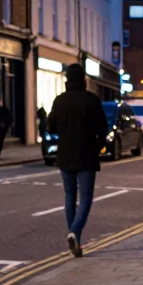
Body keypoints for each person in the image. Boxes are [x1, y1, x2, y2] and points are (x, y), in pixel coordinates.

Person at [46, 63, 108, 257]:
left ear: (67, 81)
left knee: (70, 196)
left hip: (65, 156)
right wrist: (96, 147)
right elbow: (102, 128)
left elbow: (50, 126)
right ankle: (75, 232)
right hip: (87, 156)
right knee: (86, 198)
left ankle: (76, 240)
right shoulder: (92, 100)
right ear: (84, 80)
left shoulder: (59, 101)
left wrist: (63, 132)